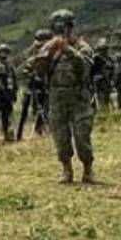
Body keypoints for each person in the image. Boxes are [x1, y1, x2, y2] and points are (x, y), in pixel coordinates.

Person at [29, 10, 96, 184]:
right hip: (56, 96)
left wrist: (67, 50)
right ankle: (66, 169)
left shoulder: (83, 47)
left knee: (82, 136)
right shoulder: (47, 48)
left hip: (78, 96)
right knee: (60, 136)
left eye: (65, 27)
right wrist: (47, 52)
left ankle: (88, 169)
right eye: (58, 28)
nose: (61, 31)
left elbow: (85, 69)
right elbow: (37, 70)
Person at [17, 28, 53, 137]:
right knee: (32, 105)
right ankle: (24, 132)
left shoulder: (53, 51)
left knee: (47, 105)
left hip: (48, 82)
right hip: (34, 82)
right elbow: (21, 70)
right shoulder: (29, 53)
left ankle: (42, 127)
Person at [91, 38, 114, 111]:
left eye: (105, 50)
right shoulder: (95, 58)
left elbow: (112, 69)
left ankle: (105, 110)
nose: (104, 51)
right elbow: (92, 70)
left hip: (106, 80)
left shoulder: (109, 58)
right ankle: (102, 110)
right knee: (99, 96)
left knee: (106, 96)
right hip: (99, 80)